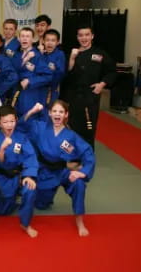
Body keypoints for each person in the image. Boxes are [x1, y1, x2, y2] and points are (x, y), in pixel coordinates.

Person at [24, 101, 95, 237]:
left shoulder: (71, 136)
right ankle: (44, 197)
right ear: (49, 113)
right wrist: (32, 111)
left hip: (62, 172)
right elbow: (22, 126)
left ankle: (80, 221)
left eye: (61, 112)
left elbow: (88, 152)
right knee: (41, 204)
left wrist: (82, 172)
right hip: (44, 171)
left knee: (78, 184)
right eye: (55, 111)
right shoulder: (40, 127)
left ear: (66, 114)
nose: (57, 114)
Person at [60, 24, 117, 148]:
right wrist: (72, 58)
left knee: (88, 128)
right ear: (77, 37)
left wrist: (102, 84)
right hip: (72, 97)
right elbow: (65, 74)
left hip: (90, 97)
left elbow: (112, 71)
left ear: (92, 36)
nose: (84, 38)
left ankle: (87, 158)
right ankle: (71, 157)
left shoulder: (100, 54)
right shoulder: (72, 53)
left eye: (87, 35)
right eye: (81, 35)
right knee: (70, 127)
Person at [0, 105, 39, 238]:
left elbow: (30, 156)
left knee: (30, 189)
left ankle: (25, 224)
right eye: (5, 122)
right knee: (2, 212)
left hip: (19, 175)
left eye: (12, 121)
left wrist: (28, 175)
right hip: (2, 176)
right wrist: (2, 149)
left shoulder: (21, 137)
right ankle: (12, 201)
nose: (9, 125)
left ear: (16, 120)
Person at [11, 27, 52, 126]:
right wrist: (24, 61)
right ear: (19, 39)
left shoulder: (37, 56)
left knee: (30, 123)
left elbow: (48, 76)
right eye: (22, 36)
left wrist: (30, 81)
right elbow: (13, 71)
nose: (25, 39)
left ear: (32, 39)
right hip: (17, 94)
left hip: (32, 94)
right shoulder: (16, 55)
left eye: (28, 36)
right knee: (18, 123)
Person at [41, 29, 66, 106]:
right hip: (40, 89)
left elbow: (60, 73)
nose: (50, 43)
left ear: (57, 42)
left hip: (52, 90)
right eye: (47, 40)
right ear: (43, 41)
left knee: (51, 112)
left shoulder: (59, 54)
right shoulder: (41, 54)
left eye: (53, 40)